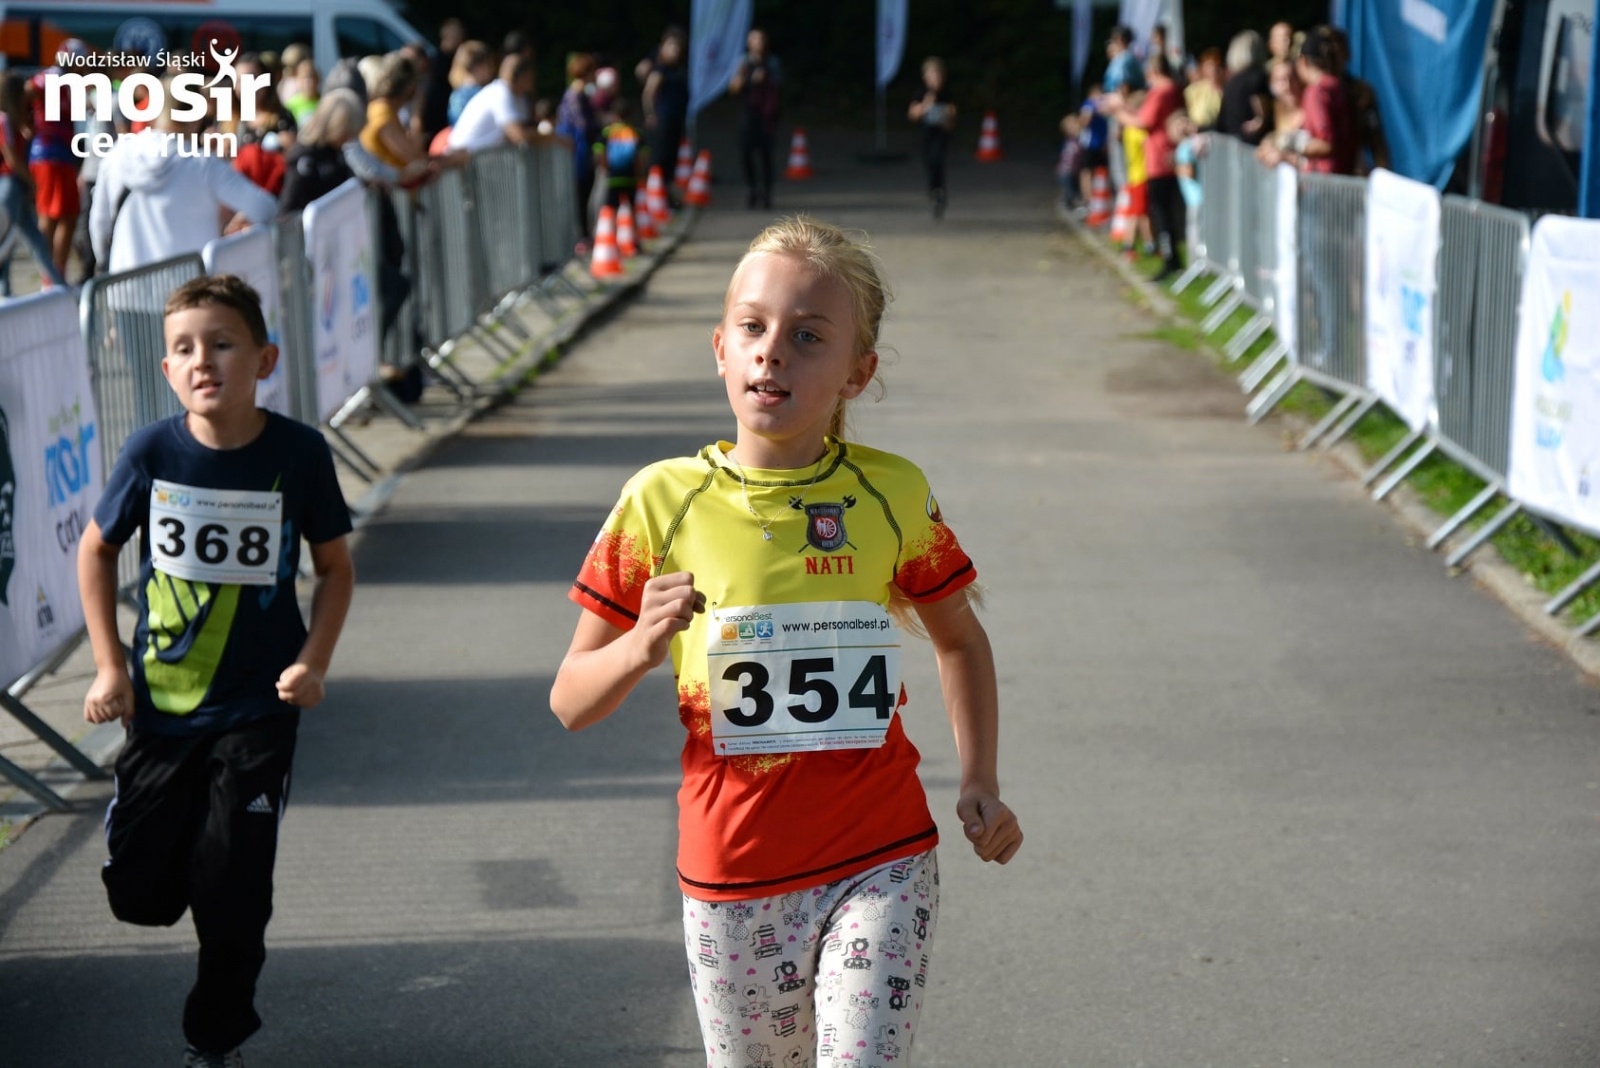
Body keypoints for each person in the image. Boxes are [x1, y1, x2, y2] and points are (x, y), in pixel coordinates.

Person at [550, 216, 1023, 1068]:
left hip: (881, 856)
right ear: (721, 349)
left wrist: (980, 778)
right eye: (754, 328)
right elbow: (569, 701)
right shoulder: (661, 501)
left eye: (809, 337)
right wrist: (638, 647)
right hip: (733, 874)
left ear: (857, 373)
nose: (774, 353)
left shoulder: (892, 494)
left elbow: (959, 639)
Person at [79, 273, 355, 1068]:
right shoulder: (153, 453)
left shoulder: (298, 453)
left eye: (223, 344)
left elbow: (335, 567)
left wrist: (313, 662)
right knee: (142, 895)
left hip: (260, 709)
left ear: (264, 358)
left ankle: (215, 1039)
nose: (205, 361)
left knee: (235, 887)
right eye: (184, 349)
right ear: (166, 371)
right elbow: (95, 549)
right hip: (162, 708)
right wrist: (106, 667)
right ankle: (149, 836)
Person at [1111, 52, 1186, 280]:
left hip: (1158, 160)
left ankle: (1169, 260)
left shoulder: (1160, 92)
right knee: (1166, 211)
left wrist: (1119, 113)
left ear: (1152, 71)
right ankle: (1172, 257)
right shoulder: (1175, 90)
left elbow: (1144, 121)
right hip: (1170, 156)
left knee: (1161, 212)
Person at [0, 71, 69, 295]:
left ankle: (58, 285)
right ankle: (7, 291)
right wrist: (32, 182)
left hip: (15, 185)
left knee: (34, 241)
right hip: (10, 185)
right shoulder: (4, 120)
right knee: (8, 244)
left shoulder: (13, 120)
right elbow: (12, 157)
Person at [23, 38, 85, 281]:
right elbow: (24, 94)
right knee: (51, 216)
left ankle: (54, 274)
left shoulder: (70, 83)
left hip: (63, 156)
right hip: (49, 155)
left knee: (67, 216)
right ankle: (49, 277)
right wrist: (24, 125)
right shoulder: (52, 76)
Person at [1283, 28, 1354, 175]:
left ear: (1303, 62)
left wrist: (1292, 145)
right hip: (1344, 175)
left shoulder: (1316, 91)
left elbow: (1327, 143)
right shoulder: (1337, 86)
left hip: (1323, 182)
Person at [728, 28, 782, 210]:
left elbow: (778, 86)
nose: (757, 43)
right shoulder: (743, 62)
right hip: (748, 113)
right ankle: (752, 188)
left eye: (760, 40)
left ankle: (767, 192)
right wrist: (747, 79)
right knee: (746, 152)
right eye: (754, 40)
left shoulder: (772, 62)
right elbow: (733, 88)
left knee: (767, 154)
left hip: (767, 115)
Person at [450, 54, 541, 155]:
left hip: (482, 162)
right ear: (523, 76)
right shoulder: (501, 92)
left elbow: (519, 134)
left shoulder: (518, 97)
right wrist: (549, 138)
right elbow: (518, 135)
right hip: (463, 161)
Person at [555, 52, 602, 246]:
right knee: (580, 194)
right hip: (579, 152)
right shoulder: (575, 96)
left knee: (585, 193)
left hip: (583, 150)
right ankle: (582, 236)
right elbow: (583, 126)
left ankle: (585, 233)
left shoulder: (582, 95)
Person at [641, 27, 689, 204]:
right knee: (659, 158)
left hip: (676, 118)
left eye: (677, 47)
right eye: (671, 46)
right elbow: (649, 92)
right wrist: (651, 114)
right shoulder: (660, 69)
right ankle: (654, 196)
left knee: (671, 159)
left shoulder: (680, 69)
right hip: (664, 118)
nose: (674, 51)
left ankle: (665, 196)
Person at [908, 56, 956, 219]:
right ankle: (933, 191)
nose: (936, 78)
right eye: (933, 74)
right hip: (926, 135)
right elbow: (913, 114)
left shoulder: (946, 94)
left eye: (938, 74)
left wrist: (948, 118)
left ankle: (939, 193)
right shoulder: (921, 92)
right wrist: (926, 104)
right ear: (926, 76)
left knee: (937, 160)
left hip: (941, 135)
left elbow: (952, 118)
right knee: (929, 163)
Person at [361, 53, 425, 171]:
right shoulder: (382, 112)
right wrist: (416, 114)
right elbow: (414, 157)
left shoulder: (381, 109)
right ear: (409, 86)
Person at [1216, 30, 1272, 146]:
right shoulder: (1259, 77)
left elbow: (1222, 121)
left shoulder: (1230, 83)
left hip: (1233, 143)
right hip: (1255, 143)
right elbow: (1262, 111)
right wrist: (1262, 120)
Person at [597, 97, 644, 210]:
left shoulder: (607, 132)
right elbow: (642, 157)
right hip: (631, 177)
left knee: (611, 209)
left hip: (613, 176)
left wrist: (605, 169)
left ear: (615, 115)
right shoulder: (636, 132)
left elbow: (600, 153)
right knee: (632, 209)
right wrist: (640, 173)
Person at [447, 40, 494, 126]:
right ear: (479, 66)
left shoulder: (455, 95)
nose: (491, 69)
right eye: (488, 63)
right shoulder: (483, 95)